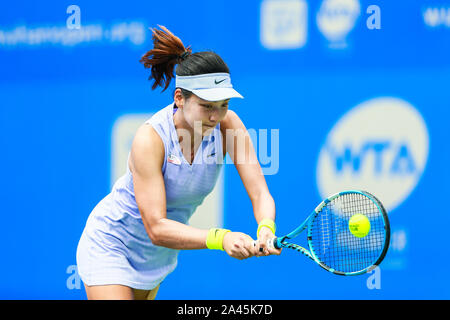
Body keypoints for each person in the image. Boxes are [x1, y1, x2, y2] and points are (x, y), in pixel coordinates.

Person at [76, 25, 280, 300]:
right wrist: (221, 238)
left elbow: (259, 193)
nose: (215, 115)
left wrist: (266, 227)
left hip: (157, 257)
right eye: (207, 105)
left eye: (223, 105)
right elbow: (157, 227)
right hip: (113, 243)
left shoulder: (228, 126)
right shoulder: (150, 139)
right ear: (179, 98)